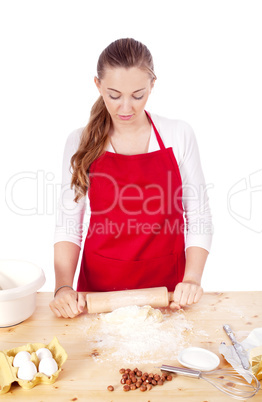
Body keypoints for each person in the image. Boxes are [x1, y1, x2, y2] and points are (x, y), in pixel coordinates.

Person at [49, 38, 213, 318]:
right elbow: (68, 223)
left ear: (152, 85)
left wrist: (193, 279)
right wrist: (63, 286)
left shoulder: (178, 134)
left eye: (137, 95)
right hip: (98, 294)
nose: (126, 108)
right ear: (98, 86)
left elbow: (198, 215)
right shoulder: (79, 141)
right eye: (114, 95)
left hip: (168, 292)